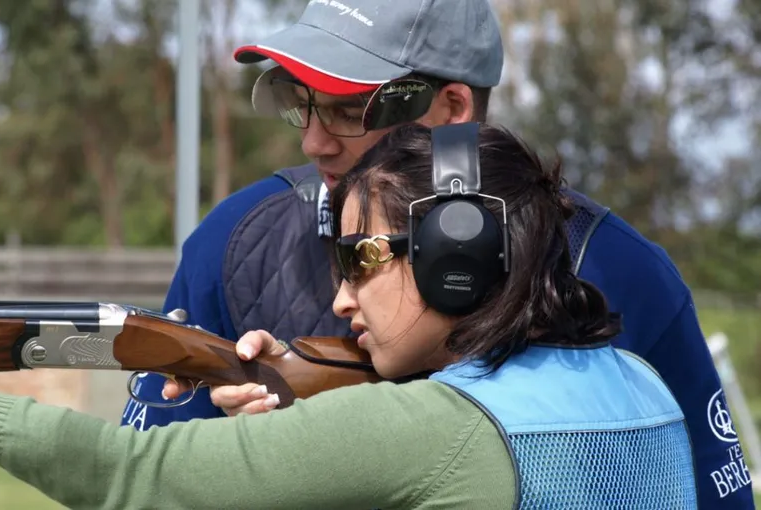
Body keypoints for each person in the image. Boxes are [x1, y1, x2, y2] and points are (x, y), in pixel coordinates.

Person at [119, 0, 753, 507]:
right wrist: (252, 458)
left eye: (345, 109)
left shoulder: (623, 271)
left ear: (451, 112)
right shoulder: (235, 243)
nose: (314, 141)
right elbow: (142, 481)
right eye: (300, 103)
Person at [0, 123, 698, 509]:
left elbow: (121, 476)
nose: (339, 298)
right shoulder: (638, 383)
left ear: (456, 265)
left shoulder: (427, 429)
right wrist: (285, 407)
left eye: (361, 257)